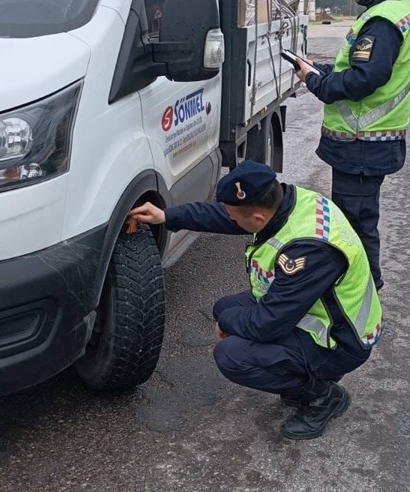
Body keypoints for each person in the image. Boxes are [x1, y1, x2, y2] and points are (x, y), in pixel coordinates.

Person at [128, 161, 384, 441]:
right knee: (224, 309)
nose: (231, 221)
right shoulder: (286, 202)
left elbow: (267, 325)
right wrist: (166, 215)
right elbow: (224, 215)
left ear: (259, 218)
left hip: (340, 340)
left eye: (236, 218)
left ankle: (323, 396)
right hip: (316, 310)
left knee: (231, 355)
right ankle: (300, 373)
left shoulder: (308, 250)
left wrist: (228, 325)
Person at [292, 0, 410, 292]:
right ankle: (358, 289)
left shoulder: (381, 20)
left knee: (355, 226)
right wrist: (320, 69)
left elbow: (363, 81)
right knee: (358, 222)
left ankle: (362, 296)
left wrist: (314, 81)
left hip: (362, 144)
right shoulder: (396, 10)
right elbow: (362, 72)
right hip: (367, 145)